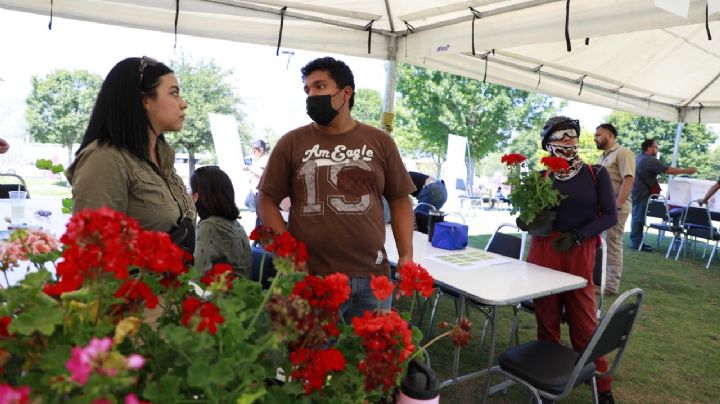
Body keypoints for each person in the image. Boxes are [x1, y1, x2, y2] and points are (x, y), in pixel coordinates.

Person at [256, 56, 415, 320]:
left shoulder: (381, 142)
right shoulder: (291, 142)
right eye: (307, 89)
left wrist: (406, 254)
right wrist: (290, 251)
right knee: (312, 356)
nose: (311, 95)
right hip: (312, 276)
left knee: (369, 356)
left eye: (320, 86)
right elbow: (266, 199)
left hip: (372, 277)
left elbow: (400, 199)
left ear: (346, 93)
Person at [527, 116, 618, 404]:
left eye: (572, 134)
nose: (568, 139)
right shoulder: (542, 176)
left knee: (583, 320)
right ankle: (548, 381)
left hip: (579, 250)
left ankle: (602, 388)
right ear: (548, 143)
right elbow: (532, 216)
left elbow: (611, 216)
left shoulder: (596, 173)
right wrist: (526, 219)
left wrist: (579, 235)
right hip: (545, 250)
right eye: (561, 135)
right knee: (547, 316)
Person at [66, 56, 196, 252]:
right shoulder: (105, 160)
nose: (183, 103)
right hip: (133, 282)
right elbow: (92, 253)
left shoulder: (161, 156)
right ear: (145, 101)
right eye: (174, 93)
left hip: (173, 281)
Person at [629, 138, 696, 251]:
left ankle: (636, 242)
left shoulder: (639, 157)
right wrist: (686, 170)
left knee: (636, 217)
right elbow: (667, 170)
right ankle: (636, 243)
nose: (657, 149)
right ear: (648, 148)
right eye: (655, 147)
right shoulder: (649, 160)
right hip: (642, 193)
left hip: (637, 191)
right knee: (638, 218)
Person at [594, 123, 635, 295]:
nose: (595, 138)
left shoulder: (623, 153)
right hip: (604, 207)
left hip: (617, 207)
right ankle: (599, 281)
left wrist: (617, 206)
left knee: (613, 244)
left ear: (610, 136)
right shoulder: (603, 157)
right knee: (601, 244)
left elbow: (628, 179)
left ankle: (611, 286)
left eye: (598, 135)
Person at [190, 166, 252, 277]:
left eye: (191, 190)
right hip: (241, 291)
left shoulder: (209, 226)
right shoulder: (235, 224)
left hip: (222, 292)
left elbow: (197, 275)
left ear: (197, 196)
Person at [243, 139, 269, 212]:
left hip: (260, 191)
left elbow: (263, 174)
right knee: (248, 202)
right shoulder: (259, 160)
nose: (254, 153)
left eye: (254, 151)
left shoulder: (265, 160)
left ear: (261, 150)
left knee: (255, 208)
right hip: (255, 190)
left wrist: (250, 168)